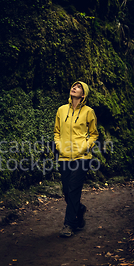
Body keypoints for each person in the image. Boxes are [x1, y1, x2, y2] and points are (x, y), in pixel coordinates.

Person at [54, 81, 99, 237]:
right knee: (67, 191)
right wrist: (59, 146)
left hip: (82, 157)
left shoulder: (89, 112)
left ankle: (68, 225)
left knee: (73, 189)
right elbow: (56, 132)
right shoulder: (61, 110)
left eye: (78, 87)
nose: (74, 88)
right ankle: (79, 210)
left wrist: (84, 147)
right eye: (73, 86)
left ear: (83, 94)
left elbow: (94, 134)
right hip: (64, 157)